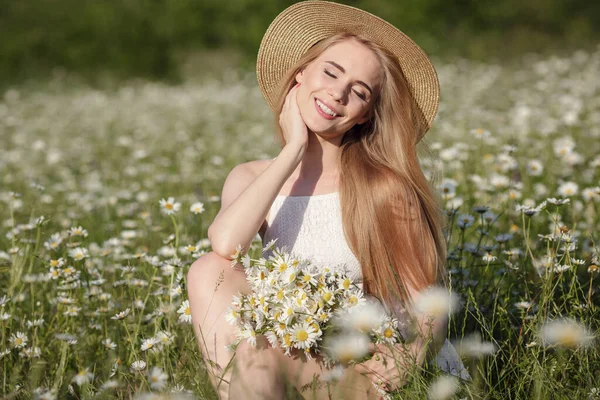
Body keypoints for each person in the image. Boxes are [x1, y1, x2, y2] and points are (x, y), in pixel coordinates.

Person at [187, 1, 469, 399]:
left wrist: (400, 362)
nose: (337, 93)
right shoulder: (251, 177)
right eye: (330, 72)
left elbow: (428, 305)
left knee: (256, 364)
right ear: (300, 73)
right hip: (294, 355)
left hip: (368, 361)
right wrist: (292, 151)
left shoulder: (383, 186)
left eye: (358, 92)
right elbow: (226, 246)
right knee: (208, 273)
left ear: (365, 116)